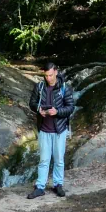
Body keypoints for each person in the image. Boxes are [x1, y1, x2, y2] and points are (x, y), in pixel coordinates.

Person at [28, 62, 75, 198]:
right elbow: (32, 103)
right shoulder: (40, 86)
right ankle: (40, 187)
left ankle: (58, 185)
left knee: (59, 159)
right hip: (44, 129)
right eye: (46, 75)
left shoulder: (65, 88)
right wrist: (39, 110)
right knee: (44, 160)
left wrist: (57, 111)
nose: (48, 78)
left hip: (59, 130)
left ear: (55, 71)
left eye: (50, 75)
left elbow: (70, 108)